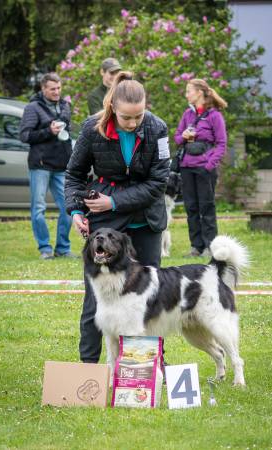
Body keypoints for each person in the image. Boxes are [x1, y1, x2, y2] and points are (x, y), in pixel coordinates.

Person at [65, 71, 170, 363]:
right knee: (95, 300)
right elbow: (74, 174)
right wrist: (75, 210)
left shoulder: (158, 128)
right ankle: (88, 368)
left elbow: (157, 184)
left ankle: (148, 368)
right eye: (127, 118)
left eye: (139, 116)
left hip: (145, 219)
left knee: (149, 298)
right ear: (112, 108)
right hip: (105, 224)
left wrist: (113, 202)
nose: (135, 123)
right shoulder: (90, 129)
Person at [20, 72, 75, 259]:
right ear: (43, 89)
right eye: (52, 89)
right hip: (40, 165)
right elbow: (25, 136)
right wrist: (48, 131)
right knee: (39, 209)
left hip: (62, 165)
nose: (57, 92)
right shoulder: (33, 108)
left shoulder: (66, 106)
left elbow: (69, 132)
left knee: (68, 207)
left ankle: (63, 248)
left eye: (59, 88)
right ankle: (45, 248)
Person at [174, 78, 227, 258]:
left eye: (189, 90)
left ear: (199, 93)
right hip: (187, 167)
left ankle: (210, 247)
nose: (186, 94)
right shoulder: (187, 115)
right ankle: (196, 247)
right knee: (191, 208)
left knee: (207, 208)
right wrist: (184, 135)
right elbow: (177, 138)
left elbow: (221, 144)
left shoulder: (215, 116)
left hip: (205, 169)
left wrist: (209, 164)